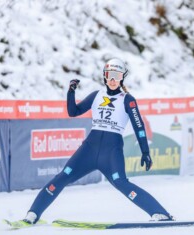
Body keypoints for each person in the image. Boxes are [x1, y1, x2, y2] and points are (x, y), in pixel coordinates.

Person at [22, 58, 173, 224]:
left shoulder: (128, 100)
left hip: (111, 151)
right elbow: (73, 112)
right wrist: (71, 91)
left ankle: (160, 213)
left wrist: (145, 152)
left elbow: (139, 126)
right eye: (110, 75)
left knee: (121, 183)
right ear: (105, 77)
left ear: (122, 77)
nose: (113, 80)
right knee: (62, 177)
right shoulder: (97, 96)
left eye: (117, 75)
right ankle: (33, 214)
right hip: (89, 149)